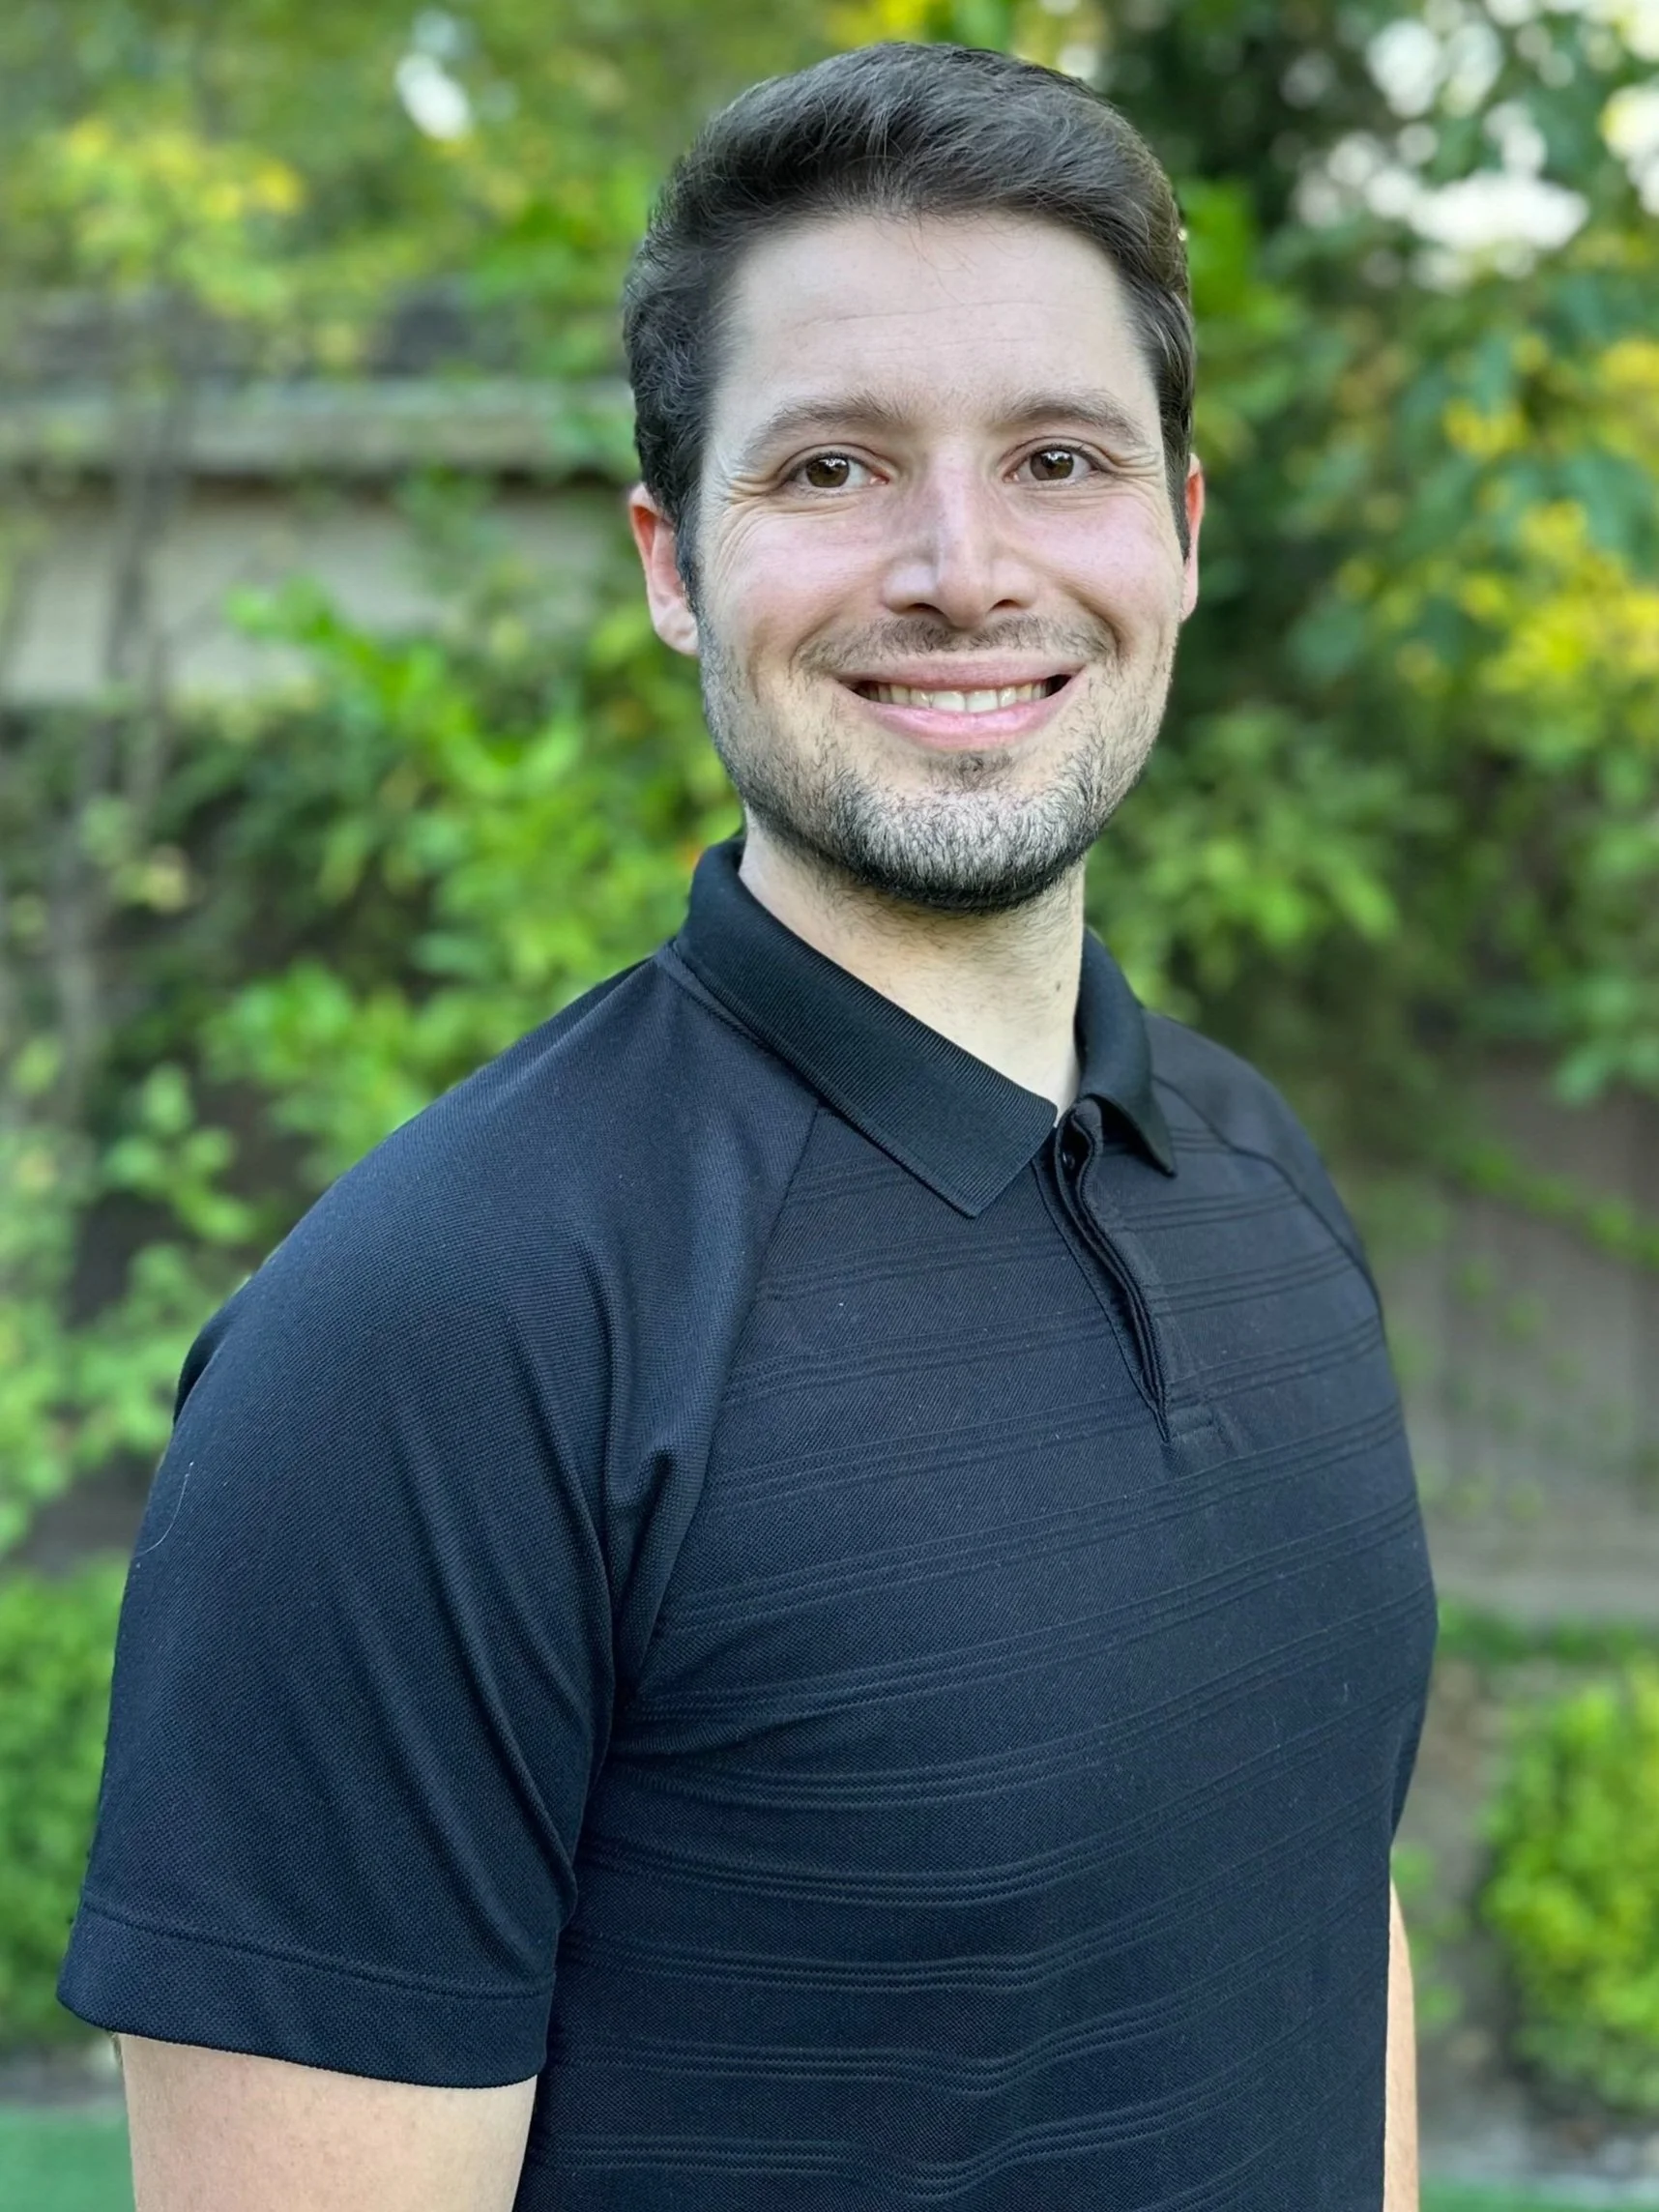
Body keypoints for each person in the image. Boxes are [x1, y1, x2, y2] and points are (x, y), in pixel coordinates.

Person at [59, 41, 1437, 2211]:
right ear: (672, 562)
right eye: (831, 471)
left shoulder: (1261, 1181)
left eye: (1060, 457)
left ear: (1179, 537)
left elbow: (1320, 1921)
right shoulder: (432, 1342)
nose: (963, 568)